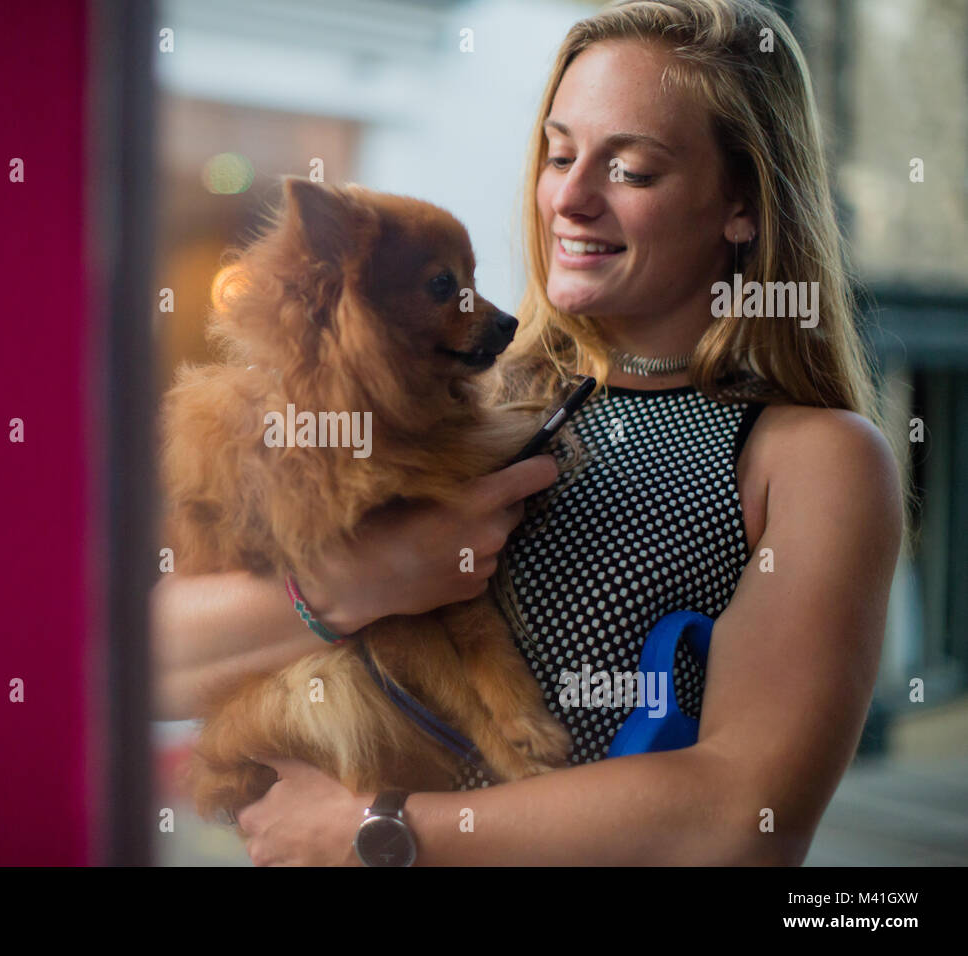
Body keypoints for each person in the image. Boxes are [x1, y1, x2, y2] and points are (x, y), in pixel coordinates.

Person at [151, 0, 904, 865]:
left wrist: (377, 829)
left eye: (632, 170)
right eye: (558, 154)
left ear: (741, 204)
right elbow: (137, 667)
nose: (571, 199)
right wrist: (353, 583)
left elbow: (740, 818)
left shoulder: (811, 457)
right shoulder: (452, 405)